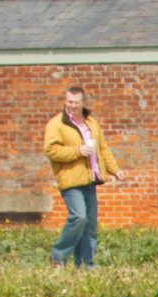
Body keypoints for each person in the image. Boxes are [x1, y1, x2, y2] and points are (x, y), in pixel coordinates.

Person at [42, 86, 120, 268]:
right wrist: (78, 151)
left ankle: (85, 265)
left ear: (83, 103)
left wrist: (115, 169)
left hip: (90, 180)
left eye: (76, 103)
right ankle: (58, 256)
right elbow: (51, 150)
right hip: (70, 180)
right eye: (69, 102)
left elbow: (103, 149)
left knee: (90, 225)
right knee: (79, 217)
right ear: (64, 101)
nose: (72, 106)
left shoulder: (91, 123)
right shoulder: (56, 124)